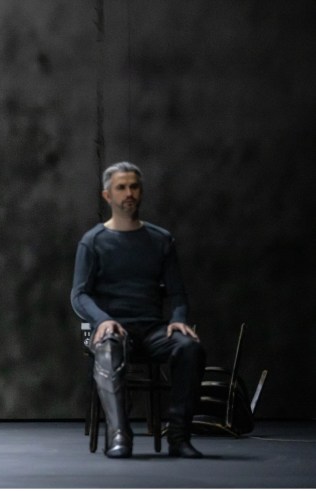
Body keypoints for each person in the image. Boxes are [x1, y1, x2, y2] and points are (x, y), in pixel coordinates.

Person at [71, 161, 206, 459]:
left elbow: (177, 292)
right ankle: (120, 436)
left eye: (134, 187)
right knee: (108, 348)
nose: (129, 193)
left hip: (153, 329)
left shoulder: (161, 239)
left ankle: (179, 436)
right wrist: (103, 320)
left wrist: (179, 319)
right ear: (107, 196)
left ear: (141, 192)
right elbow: (78, 295)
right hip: (115, 331)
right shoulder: (93, 241)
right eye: (121, 187)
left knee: (189, 347)